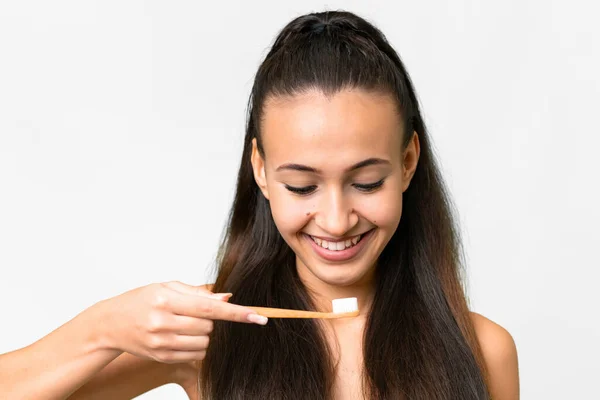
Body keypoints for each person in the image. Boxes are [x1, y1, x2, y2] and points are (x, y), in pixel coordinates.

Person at [0, 9, 519, 400]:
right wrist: (102, 328)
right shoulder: (213, 329)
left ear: (407, 162)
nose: (336, 220)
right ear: (262, 171)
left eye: (366, 183)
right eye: (301, 187)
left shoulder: (483, 351)